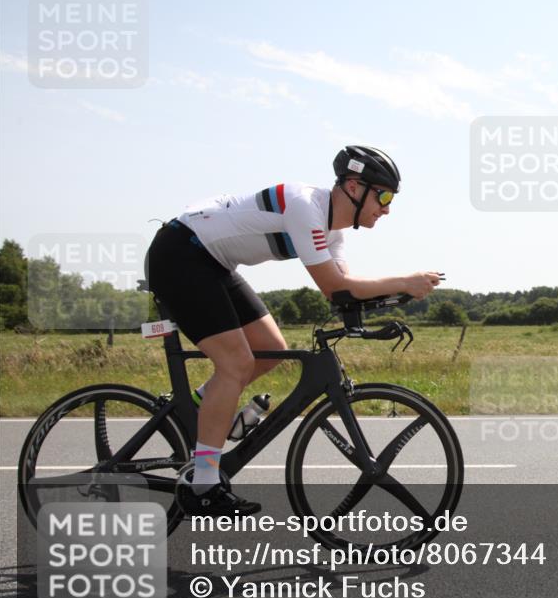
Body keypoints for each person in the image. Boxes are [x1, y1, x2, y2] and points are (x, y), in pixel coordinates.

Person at [146, 145, 441, 516]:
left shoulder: (333, 233)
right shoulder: (306, 208)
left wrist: (395, 297)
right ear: (353, 186)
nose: (386, 208)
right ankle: (203, 482)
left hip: (213, 262)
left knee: (270, 348)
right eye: (383, 196)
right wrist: (403, 279)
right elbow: (335, 287)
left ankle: (204, 410)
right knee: (236, 363)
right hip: (181, 254)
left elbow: (345, 292)